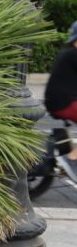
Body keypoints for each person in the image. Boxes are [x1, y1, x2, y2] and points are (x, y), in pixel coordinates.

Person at [45, 21, 77, 182]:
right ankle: (72, 159)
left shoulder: (69, 53)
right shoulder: (73, 55)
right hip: (62, 103)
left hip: (59, 100)